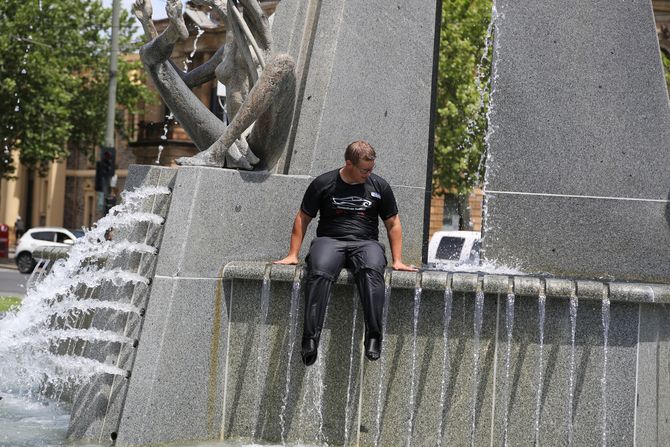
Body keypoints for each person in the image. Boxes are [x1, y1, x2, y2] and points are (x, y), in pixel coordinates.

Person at [275, 140, 418, 366]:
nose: (369, 173)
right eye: (364, 169)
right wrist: (293, 254)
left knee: (372, 269)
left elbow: (393, 223)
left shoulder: (379, 186)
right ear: (349, 163)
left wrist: (397, 260)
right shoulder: (323, 183)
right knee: (319, 272)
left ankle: (373, 336)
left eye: (371, 168)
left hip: (366, 243)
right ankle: (310, 339)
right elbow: (303, 217)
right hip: (329, 240)